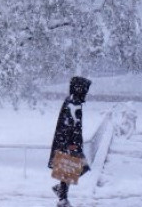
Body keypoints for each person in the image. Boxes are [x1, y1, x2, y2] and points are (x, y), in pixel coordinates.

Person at [48, 76, 92, 207]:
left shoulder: (71, 100)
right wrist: (71, 145)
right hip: (70, 144)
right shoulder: (74, 104)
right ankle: (62, 198)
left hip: (68, 142)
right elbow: (70, 126)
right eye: (85, 89)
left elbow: (69, 125)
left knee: (70, 169)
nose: (86, 92)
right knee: (71, 169)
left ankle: (61, 193)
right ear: (80, 89)